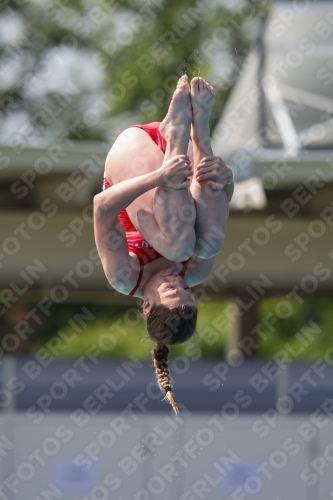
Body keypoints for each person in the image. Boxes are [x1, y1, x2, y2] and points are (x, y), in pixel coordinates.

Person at [94, 75, 234, 413]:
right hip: (186, 159)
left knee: (179, 247)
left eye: (172, 290)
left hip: (136, 156)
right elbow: (216, 204)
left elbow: (101, 207)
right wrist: (224, 179)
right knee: (208, 246)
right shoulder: (196, 270)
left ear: (146, 305)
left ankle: (174, 134)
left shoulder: (127, 275)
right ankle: (202, 133)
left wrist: (159, 176)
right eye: (188, 290)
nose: (180, 281)